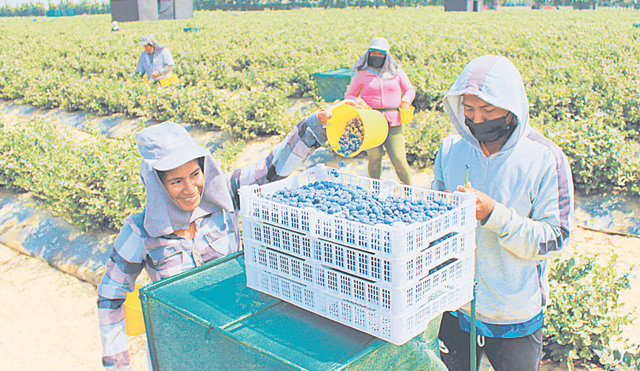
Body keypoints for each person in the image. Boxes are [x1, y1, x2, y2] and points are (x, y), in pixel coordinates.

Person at [97, 109, 331, 370]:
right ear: (157, 184)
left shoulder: (225, 196)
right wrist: (117, 363)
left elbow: (270, 170)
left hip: (235, 336)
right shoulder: (140, 231)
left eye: (195, 175)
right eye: (176, 181)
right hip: (180, 349)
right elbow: (110, 297)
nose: (190, 189)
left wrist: (313, 127)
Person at [432, 55, 574, 371]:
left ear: (511, 107)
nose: (477, 119)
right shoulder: (451, 149)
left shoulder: (544, 159)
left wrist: (494, 215)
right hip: (457, 307)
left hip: (514, 314)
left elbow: (555, 238)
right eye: (468, 110)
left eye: (488, 110)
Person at [344, 37, 416, 185]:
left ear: (387, 56)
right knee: (374, 159)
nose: (377, 56)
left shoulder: (396, 73)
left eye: (381, 54)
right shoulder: (361, 75)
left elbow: (409, 89)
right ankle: (375, 189)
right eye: (373, 53)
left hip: (393, 120)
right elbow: (349, 95)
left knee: (399, 160)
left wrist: (405, 101)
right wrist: (359, 102)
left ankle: (410, 190)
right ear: (368, 54)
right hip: (371, 122)